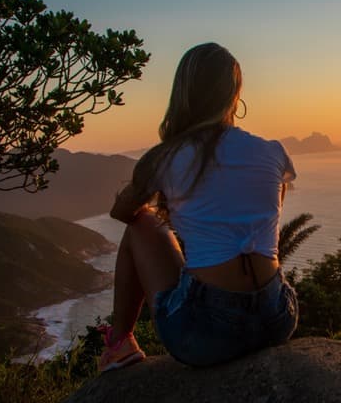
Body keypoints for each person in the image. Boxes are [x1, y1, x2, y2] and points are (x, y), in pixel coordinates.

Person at [98, 42, 298, 372]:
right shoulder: (272, 152)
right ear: (234, 94)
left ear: (183, 93)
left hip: (205, 335)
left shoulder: (165, 158)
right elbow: (268, 215)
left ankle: (120, 343)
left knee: (143, 223)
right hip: (276, 319)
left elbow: (122, 213)